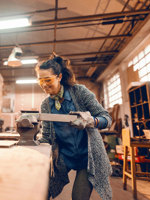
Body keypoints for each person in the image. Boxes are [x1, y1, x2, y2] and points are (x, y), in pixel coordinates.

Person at [35, 55, 112, 200]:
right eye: (40, 80)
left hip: (87, 158)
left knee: (78, 197)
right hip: (65, 157)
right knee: (41, 189)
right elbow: (47, 137)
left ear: (59, 77)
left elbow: (107, 119)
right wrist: (33, 143)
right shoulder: (46, 105)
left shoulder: (79, 92)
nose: (44, 85)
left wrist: (92, 121)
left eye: (48, 80)